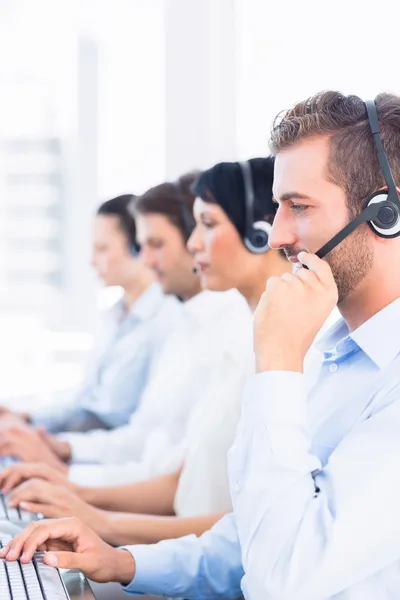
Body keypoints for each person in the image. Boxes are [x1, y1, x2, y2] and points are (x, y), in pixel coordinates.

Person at [4, 91, 400, 600]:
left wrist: (277, 364)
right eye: (278, 207)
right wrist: (120, 560)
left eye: (297, 207)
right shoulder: (336, 354)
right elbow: (250, 539)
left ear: (386, 213)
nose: (276, 235)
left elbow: (286, 579)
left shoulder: (339, 367)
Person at [0, 158, 293, 547]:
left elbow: (248, 525)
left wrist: (87, 505)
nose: (193, 245)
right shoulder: (232, 333)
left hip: (194, 555)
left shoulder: (269, 345)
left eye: (207, 225)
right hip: (185, 549)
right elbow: (182, 478)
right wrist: (75, 491)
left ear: (260, 234)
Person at [0, 172, 250, 488]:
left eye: (155, 245)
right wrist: (61, 450)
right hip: (119, 485)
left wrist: (65, 474)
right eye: (141, 246)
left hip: (137, 498)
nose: (145, 259)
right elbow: (143, 436)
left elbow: (173, 479)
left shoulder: (216, 329)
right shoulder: (186, 324)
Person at [0, 195, 180, 433]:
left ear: (138, 247)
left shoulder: (167, 321)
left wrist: (46, 442)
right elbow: (84, 404)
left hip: (104, 459)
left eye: (102, 248)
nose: (92, 261)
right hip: (78, 449)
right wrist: (26, 418)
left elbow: (122, 427)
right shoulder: (114, 316)